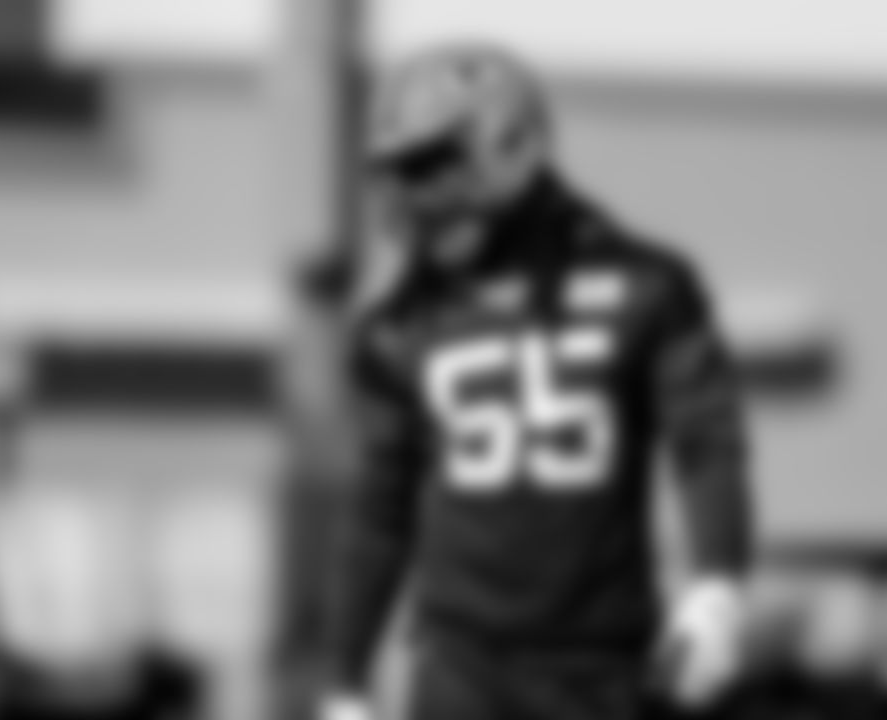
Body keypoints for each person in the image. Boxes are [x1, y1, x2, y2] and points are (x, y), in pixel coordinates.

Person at [321, 43, 756, 720]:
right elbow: (378, 513)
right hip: (460, 671)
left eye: (432, 163)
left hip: (600, 668)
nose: (413, 191)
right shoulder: (399, 327)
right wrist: (345, 682)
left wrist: (717, 584)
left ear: (513, 145)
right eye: (401, 169)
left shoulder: (646, 285)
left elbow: (706, 441)